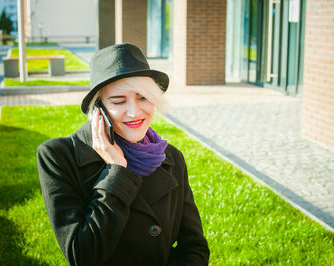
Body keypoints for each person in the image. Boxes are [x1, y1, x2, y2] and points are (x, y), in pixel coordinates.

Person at [37, 43, 209, 265]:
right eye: (118, 101)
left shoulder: (172, 157)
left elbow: (195, 247)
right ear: (98, 110)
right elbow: (83, 255)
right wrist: (116, 172)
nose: (135, 111)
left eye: (143, 98)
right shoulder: (58, 157)